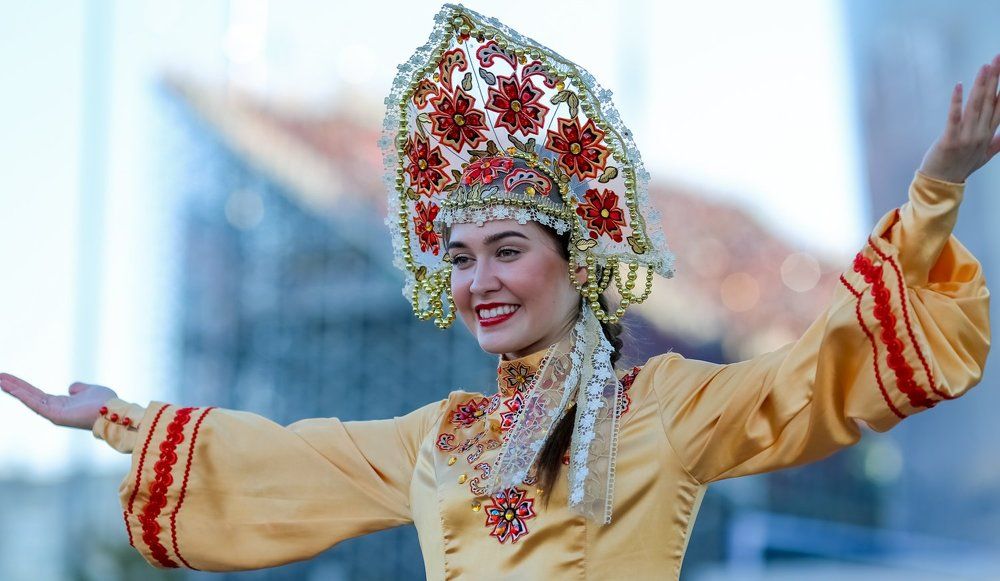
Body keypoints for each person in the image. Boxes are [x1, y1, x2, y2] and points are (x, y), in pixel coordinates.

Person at [2, 3, 997, 579]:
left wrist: (934, 191)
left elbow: (823, 371)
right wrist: (116, 420)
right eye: (461, 254)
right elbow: (286, 460)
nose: (477, 278)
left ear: (576, 262)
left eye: (506, 248)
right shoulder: (443, 436)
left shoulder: (670, 406)